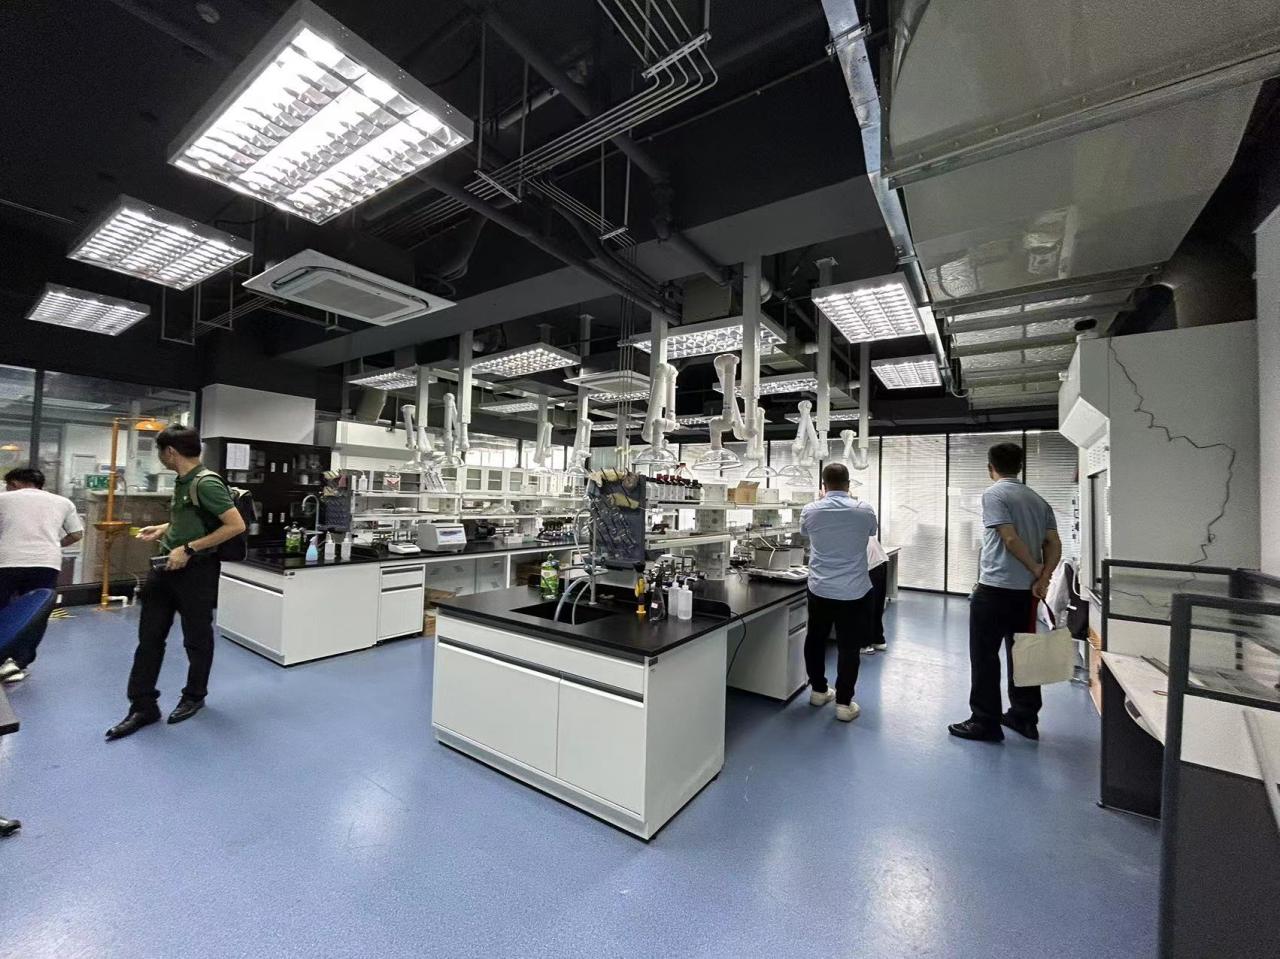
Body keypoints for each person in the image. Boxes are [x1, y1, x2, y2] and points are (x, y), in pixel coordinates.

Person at [106, 426, 245, 741]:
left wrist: (189, 548)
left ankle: (194, 695)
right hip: (165, 569)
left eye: (159, 451)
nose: (159, 457)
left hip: (196, 573)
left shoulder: (206, 482)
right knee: (149, 638)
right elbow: (194, 518)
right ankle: (143, 705)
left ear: (169, 452)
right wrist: (165, 528)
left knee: (196, 638)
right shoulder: (184, 481)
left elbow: (235, 525)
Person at [949, 442, 1061, 743]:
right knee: (1024, 654)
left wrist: (1035, 568)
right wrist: (1043, 577)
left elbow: (1009, 538)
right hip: (1026, 594)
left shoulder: (995, 494)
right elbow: (1054, 543)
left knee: (985, 656)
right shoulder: (1038, 500)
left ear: (990, 468)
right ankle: (1024, 717)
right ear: (1020, 467)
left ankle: (984, 721)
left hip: (995, 589)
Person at [801, 462, 878, 722]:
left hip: (820, 588)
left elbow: (804, 532)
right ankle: (844, 704)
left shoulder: (810, 510)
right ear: (848, 484)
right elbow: (871, 532)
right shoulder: (864, 510)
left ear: (823, 485)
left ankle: (818, 691)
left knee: (815, 639)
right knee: (849, 647)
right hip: (853, 591)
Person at [0, 467, 83, 683]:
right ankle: (18, 663)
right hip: (46, 563)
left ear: (14, 483)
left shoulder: (3, 499)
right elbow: (76, 534)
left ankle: (1, 656)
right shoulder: (63, 502)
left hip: (6, 561)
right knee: (35, 613)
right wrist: (55, 544)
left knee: (3, 609)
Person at [860, 535, 890, 655]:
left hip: (870, 566)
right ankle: (878, 640)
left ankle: (864, 644)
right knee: (877, 606)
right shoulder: (860, 526)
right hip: (880, 562)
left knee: (866, 607)